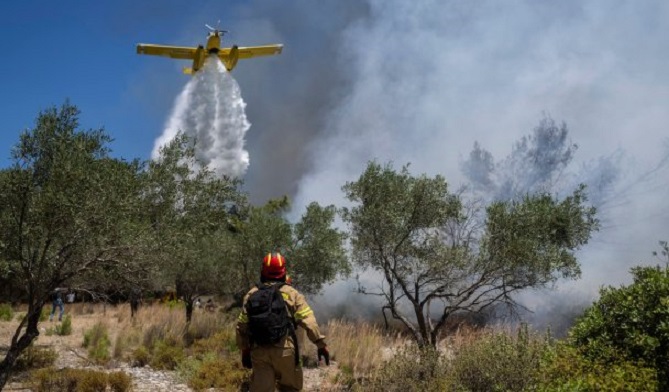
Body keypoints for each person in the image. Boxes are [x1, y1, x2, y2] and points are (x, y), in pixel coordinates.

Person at [237, 252, 330, 392]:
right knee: (290, 389)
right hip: (286, 351)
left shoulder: (251, 294)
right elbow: (309, 322)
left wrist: (245, 350)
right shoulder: (292, 294)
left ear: (263, 271)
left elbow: (241, 326)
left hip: (260, 351)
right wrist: (320, 345)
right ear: (283, 271)